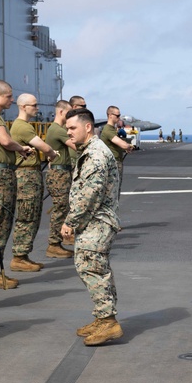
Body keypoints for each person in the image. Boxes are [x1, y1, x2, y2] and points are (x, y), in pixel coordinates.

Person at [62, 108, 124, 346]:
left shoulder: (96, 155)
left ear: (87, 127)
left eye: (72, 128)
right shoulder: (89, 151)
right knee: (93, 267)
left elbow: (90, 194)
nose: (69, 132)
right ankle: (102, 317)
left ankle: (108, 322)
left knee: (92, 268)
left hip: (97, 220)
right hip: (94, 220)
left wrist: (70, 222)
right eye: (67, 128)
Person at [0, 80, 33, 290]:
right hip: (0, 175)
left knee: (2, 221)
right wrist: (20, 148)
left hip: (2, 172)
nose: (12, 99)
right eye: (9, 96)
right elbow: (4, 140)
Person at [9, 93, 57, 272]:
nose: (37, 108)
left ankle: (23, 254)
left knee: (31, 215)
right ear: (23, 107)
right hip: (27, 176)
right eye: (34, 105)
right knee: (27, 215)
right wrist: (51, 154)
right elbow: (44, 147)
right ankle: (19, 256)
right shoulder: (22, 127)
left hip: (30, 175)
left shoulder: (23, 125)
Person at [44, 99, 76, 258]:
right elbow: (75, 145)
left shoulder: (56, 129)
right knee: (60, 209)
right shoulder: (58, 130)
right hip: (59, 174)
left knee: (63, 207)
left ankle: (58, 241)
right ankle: (53, 244)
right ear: (61, 112)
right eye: (68, 112)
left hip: (61, 172)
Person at [100, 106, 133, 200]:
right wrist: (128, 146)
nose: (119, 118)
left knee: (115, 191)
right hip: (113, 164)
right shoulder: (108, 130)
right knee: (112, 193)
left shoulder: (112, 129)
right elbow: (122, 144)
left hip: (116, 162)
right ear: (110, 115)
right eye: (117, 115)